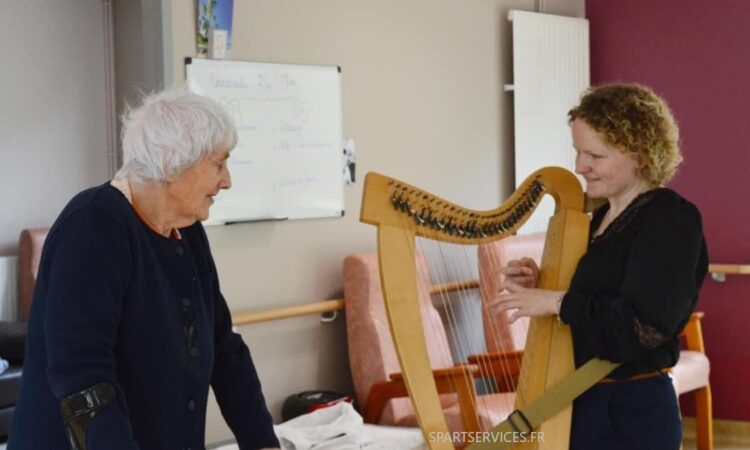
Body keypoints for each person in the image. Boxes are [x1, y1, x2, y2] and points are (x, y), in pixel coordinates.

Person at [9, 89, 280, 449]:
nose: (227, 180)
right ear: (171, 163)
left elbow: (223, 348)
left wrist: (262, 442)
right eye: (218, 164)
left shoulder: (187, 231)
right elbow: (84, 380)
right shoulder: (93, 224)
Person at [493, 84, 708, 450]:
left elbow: (644, 328)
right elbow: (596, 294)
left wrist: (555, 302)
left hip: (631, 410)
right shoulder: (596, 219)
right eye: (578, 152)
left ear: (640, 154)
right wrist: (539, 281)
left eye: (596, 155)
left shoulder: (671, 219)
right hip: (578, 401)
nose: (580, 167)